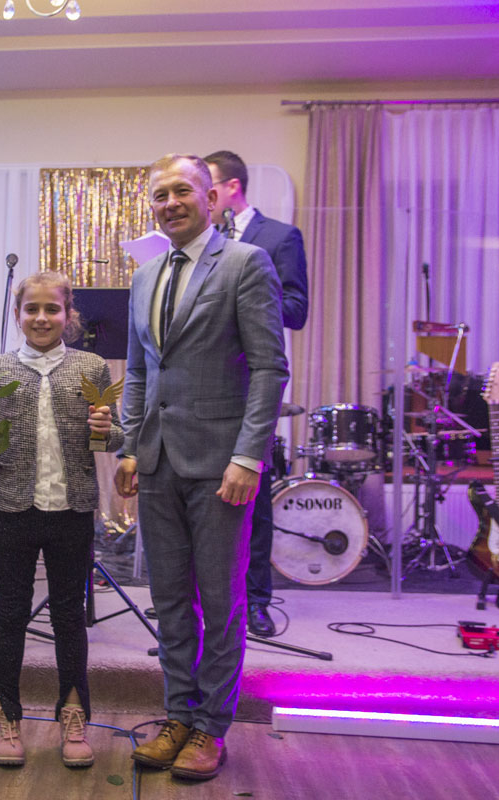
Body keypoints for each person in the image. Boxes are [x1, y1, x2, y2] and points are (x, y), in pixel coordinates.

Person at [115, 154, 288, 781]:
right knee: (169, 601)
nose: (170, 203)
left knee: (220, 600)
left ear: (211, 198)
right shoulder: (145, 276)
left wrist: (248, 456)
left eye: (182, 190)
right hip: (158, 461)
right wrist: (130, 447)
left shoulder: (246, 263)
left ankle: (212, 726)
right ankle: (178, 715)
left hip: (222, 466)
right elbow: (140, 372)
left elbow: (269, 368)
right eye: (160, 194)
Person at [0, 272, 123, 770]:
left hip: (71, 508)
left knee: (69, 616)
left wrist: (105, 428)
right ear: (17, 315)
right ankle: (7, 715)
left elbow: (113, 439)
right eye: (31, 309)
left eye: (52, 309)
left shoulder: (91, 366)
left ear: (68, 314)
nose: (41, 318)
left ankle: (73, 712)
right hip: (12, 508)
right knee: (10, 613)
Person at [204, 149, 310, 639]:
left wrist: (243, 294)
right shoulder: (202, 239)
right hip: (203, 380)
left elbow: (297, 309)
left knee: (253, 498)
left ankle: (257, 601)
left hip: (251, 380)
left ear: (232, 187)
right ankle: (197, 599)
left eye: (208, 186)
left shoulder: (279, 236)